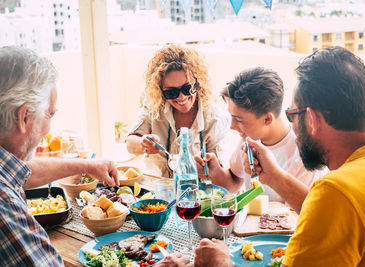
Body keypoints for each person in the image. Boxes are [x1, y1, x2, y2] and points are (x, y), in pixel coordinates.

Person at [195, 47, 365, 266]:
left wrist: (221, 264)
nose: (291, 125)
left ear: (311, 119)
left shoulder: (336, 194)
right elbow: (322, 213)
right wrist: (273, 177)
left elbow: (329, 206)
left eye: (291, 114)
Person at [0, 46, 120, 266]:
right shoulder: (4, 204)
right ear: (24, 117)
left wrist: (88, 165)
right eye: (49, 114)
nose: (49, 129)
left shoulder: (5, 169)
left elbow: (22, 173)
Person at [195, 67, 322, 212]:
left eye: (238, 120)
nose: (231, 126)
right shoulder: (249, 138)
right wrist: (215, 170)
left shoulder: (302, 155)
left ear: (267, 119)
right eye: (231, 117)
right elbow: (234, 182)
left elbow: (299, 217)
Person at [126, 44, 230, 177]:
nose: (182, 97)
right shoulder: (155, 107)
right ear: (161, 91)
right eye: (172, 92)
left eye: (188, 88)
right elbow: (130, 144)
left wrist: (202, 168)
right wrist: (143, 144)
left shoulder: (215, 118)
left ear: (198, 84)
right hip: (158, 189)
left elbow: (220, 174)